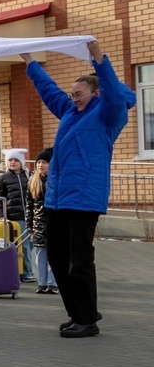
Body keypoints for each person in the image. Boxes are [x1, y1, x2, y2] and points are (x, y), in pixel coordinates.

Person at [23, 42, 134, 337]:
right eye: (72, 94)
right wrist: (30, 61)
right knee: (57, 256)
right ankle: (79, 312)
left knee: (80, 258)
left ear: (96, 93)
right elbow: (50, 92)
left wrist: (98, 58)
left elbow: (112, 90)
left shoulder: (109, 113)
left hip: (85, 196)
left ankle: (86, 320)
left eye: (79, 94)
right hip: (59, 197)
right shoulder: (70, 112)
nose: (74, 99)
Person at [0, 148, 32, 281]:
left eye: (16, 160)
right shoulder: (3, 178)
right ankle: (26, 272)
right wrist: (0, 215)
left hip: (29, 216)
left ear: (22, 162)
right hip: (15, 217)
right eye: (10, 160)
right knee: (22, 245)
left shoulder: (28, 176)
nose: (13, 162)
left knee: (30, 244)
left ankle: (23, 269)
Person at [25, 148, 57, 295]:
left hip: (53, 222)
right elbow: (29, 205)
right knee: (40, 255)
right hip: (38, 224)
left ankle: (53, 283)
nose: (40, 165)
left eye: (44, 162)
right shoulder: (33, 181)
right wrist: (29, 223)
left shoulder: (55, 180)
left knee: (53, 254)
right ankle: (42, 283)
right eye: (38, 162)